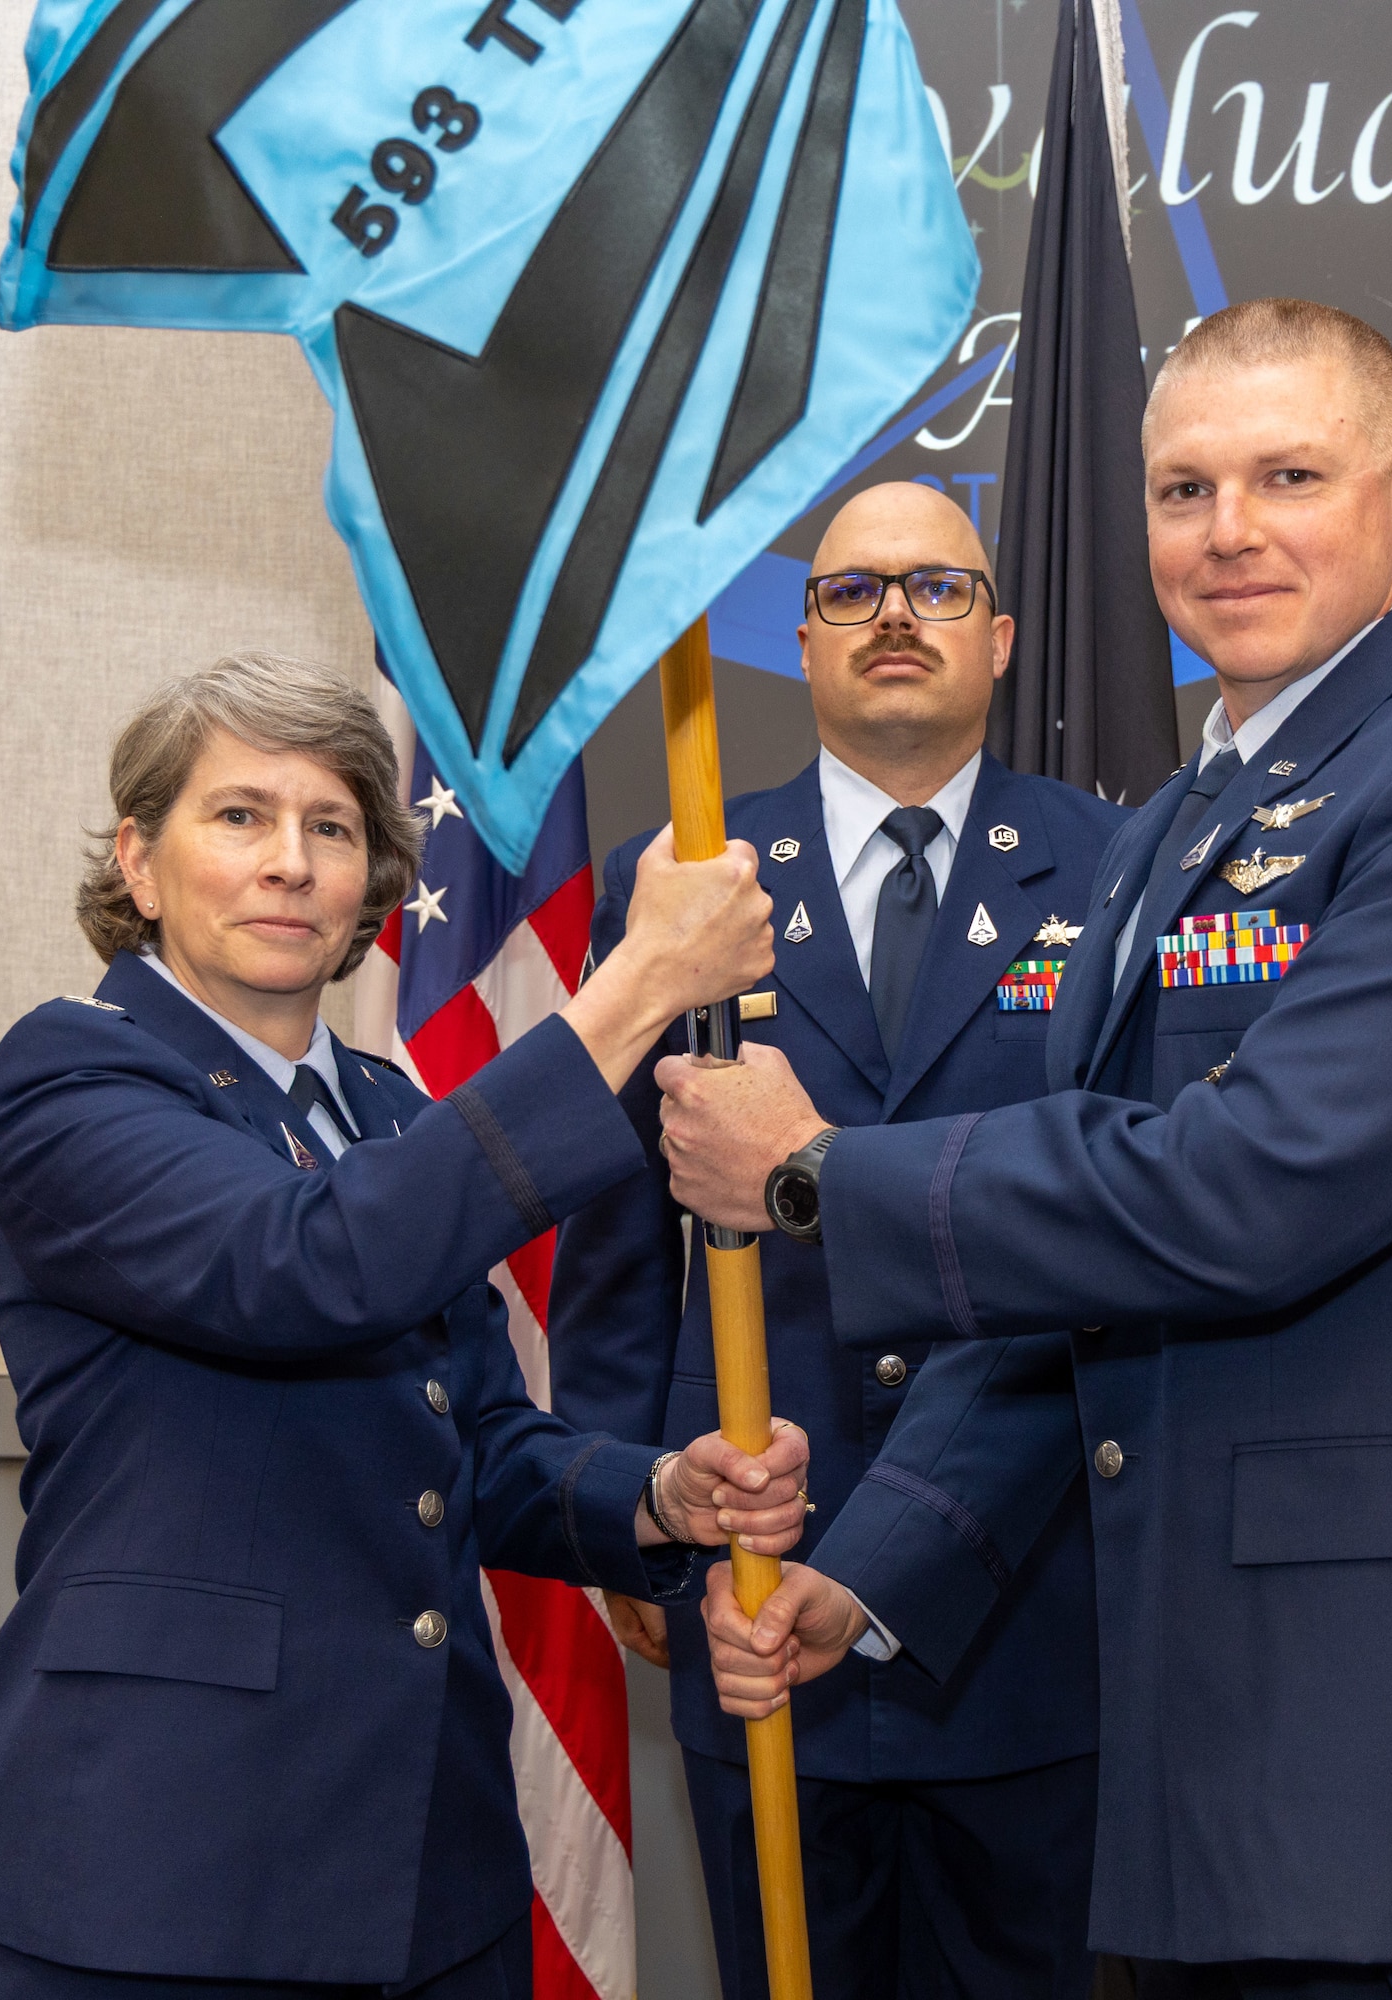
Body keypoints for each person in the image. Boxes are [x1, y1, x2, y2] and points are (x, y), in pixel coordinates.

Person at [659, 301, 1392, 2000]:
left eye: (1287, 475)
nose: (1227, 532)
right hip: (1219, 1775)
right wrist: (863, 1583)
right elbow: (1071, 1299)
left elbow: (1247, 1193)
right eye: (1182, 489)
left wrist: (812, 1175)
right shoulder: (1169, 831)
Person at [0, 651, 810, 2000]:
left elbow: (480, 1446)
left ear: (371, 888)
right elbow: (305, 1267)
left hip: (426, 1872)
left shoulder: (395, 1116)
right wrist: (635, 991)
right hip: (155, 1882)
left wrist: (658, 1498)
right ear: (141, 863)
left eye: (330, 828)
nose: (289, 862)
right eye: (239, 816)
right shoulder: (70, 1074)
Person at [550, 480, 1126, 2000]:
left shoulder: (1118, 869)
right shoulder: (686, 887)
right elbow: (614, 1242)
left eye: (937, 589)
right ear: (798, 643)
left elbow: (1112, 1220)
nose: (892, 616)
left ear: (1000, 640)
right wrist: (624, 1509)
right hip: (752, 1569)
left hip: (1028, 1598)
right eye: (852, 590)